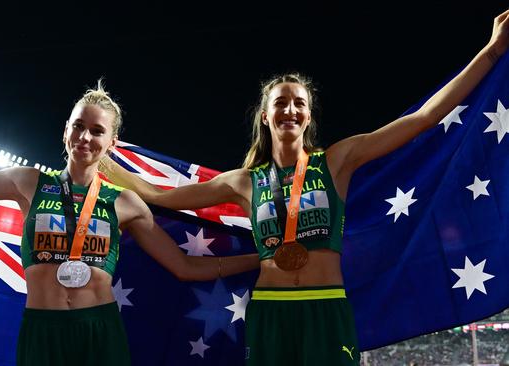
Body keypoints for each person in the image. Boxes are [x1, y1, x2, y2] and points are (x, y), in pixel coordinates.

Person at [100, 10, 509, 365]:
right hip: (271, 311)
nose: (290, 109)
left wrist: (491, 52)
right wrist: (102, 155)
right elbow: (160, 197)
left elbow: (423, 118)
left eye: (298, 102)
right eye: (281, 102)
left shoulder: (337, 160)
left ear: (308, 114)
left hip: (325, 307)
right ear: (265, 115)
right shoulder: (244, 182)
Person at [0, 82, 260, 366]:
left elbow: (186, 267)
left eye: (97, 131)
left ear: (112, 142)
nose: (85, 137)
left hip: (99, 330)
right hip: (43, 328)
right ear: (66, 129)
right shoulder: (27, 182)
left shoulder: (125, 203)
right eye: (78, 126)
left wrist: (262, 260)